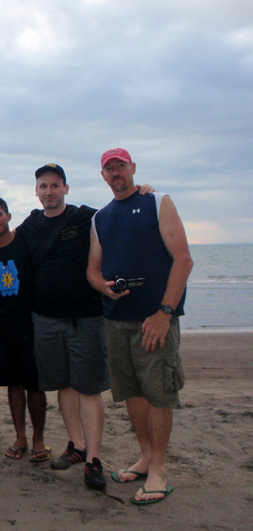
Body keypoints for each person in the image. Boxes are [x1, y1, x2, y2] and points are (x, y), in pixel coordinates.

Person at [18, 164, 154, 491]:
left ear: (66, 188)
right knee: (64, 385)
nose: (48, 191)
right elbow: (1, 238)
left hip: (87, 319)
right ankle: (76, 445)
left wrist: (143, 193)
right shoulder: (30, 225)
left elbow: (120, 212)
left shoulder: (86, 217)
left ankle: (93, 459)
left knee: (89, 389)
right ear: (36, 191)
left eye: (54, 185)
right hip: (46, 320)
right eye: (43, 186)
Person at [87, 148, 192, 505]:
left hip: (155, 318)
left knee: (159, 392)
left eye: (121, 166)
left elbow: (183, 260)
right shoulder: (100, 217)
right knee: (131, 391)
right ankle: (146, 456)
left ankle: (160, 469)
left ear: (132, 168)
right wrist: (104, 287)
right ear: (103, 175)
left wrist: (164, 313)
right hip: (117, 319)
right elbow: (93, 269)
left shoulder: (157, 200)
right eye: (109, 169)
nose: (116, 173)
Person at [0, 196, 48, 462]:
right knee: (14, 384)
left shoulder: (25, 243)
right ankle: (20, 437)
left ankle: (39, 439)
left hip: (32, 323)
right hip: (3, 327)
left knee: (35, 385)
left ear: (8, 216)